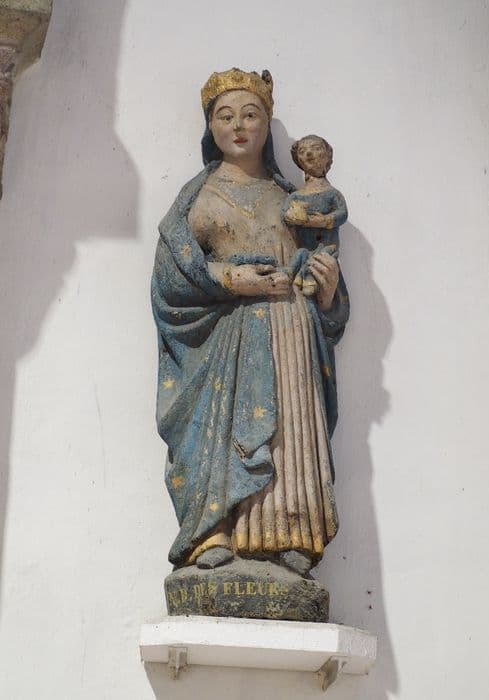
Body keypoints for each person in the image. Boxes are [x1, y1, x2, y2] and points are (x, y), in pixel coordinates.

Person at [151, 68, 349, 575]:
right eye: (225, 116)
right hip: (227, 342)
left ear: (267, 124)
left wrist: (327, 290)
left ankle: (292, 533)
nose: (238, 126)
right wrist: (231, 279)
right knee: (224, 431)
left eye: (250, 115)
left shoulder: (293, 199)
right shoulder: (196, 198)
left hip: (289, 333)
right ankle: (211, 529)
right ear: (210, 126)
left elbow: (324, 286)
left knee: (288, 440)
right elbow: (171, 280)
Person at [283, 134, 348, 297]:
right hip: (305, 246)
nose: (309, 154)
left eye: (316, 148)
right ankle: (289, 274)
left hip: (327, 246)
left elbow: (342, 214)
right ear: (298, 161)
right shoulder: (296, 196)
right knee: (301, 254)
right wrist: (291, 216)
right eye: (302, 151)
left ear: (327, 156)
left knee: (320, 261)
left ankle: (308, 279)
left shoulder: (332, 193)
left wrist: (323, 220)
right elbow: (285, 214)